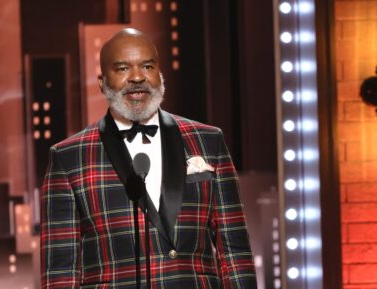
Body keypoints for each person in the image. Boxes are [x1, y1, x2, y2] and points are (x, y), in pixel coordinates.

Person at [41, 28, 257, 289]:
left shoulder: (208, 140)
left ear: (159, 74)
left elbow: (235, 252)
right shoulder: (68, 157)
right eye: (122, 69)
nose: (137, 78)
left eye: (147, 66)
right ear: (102, 82)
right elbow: (61, 274)